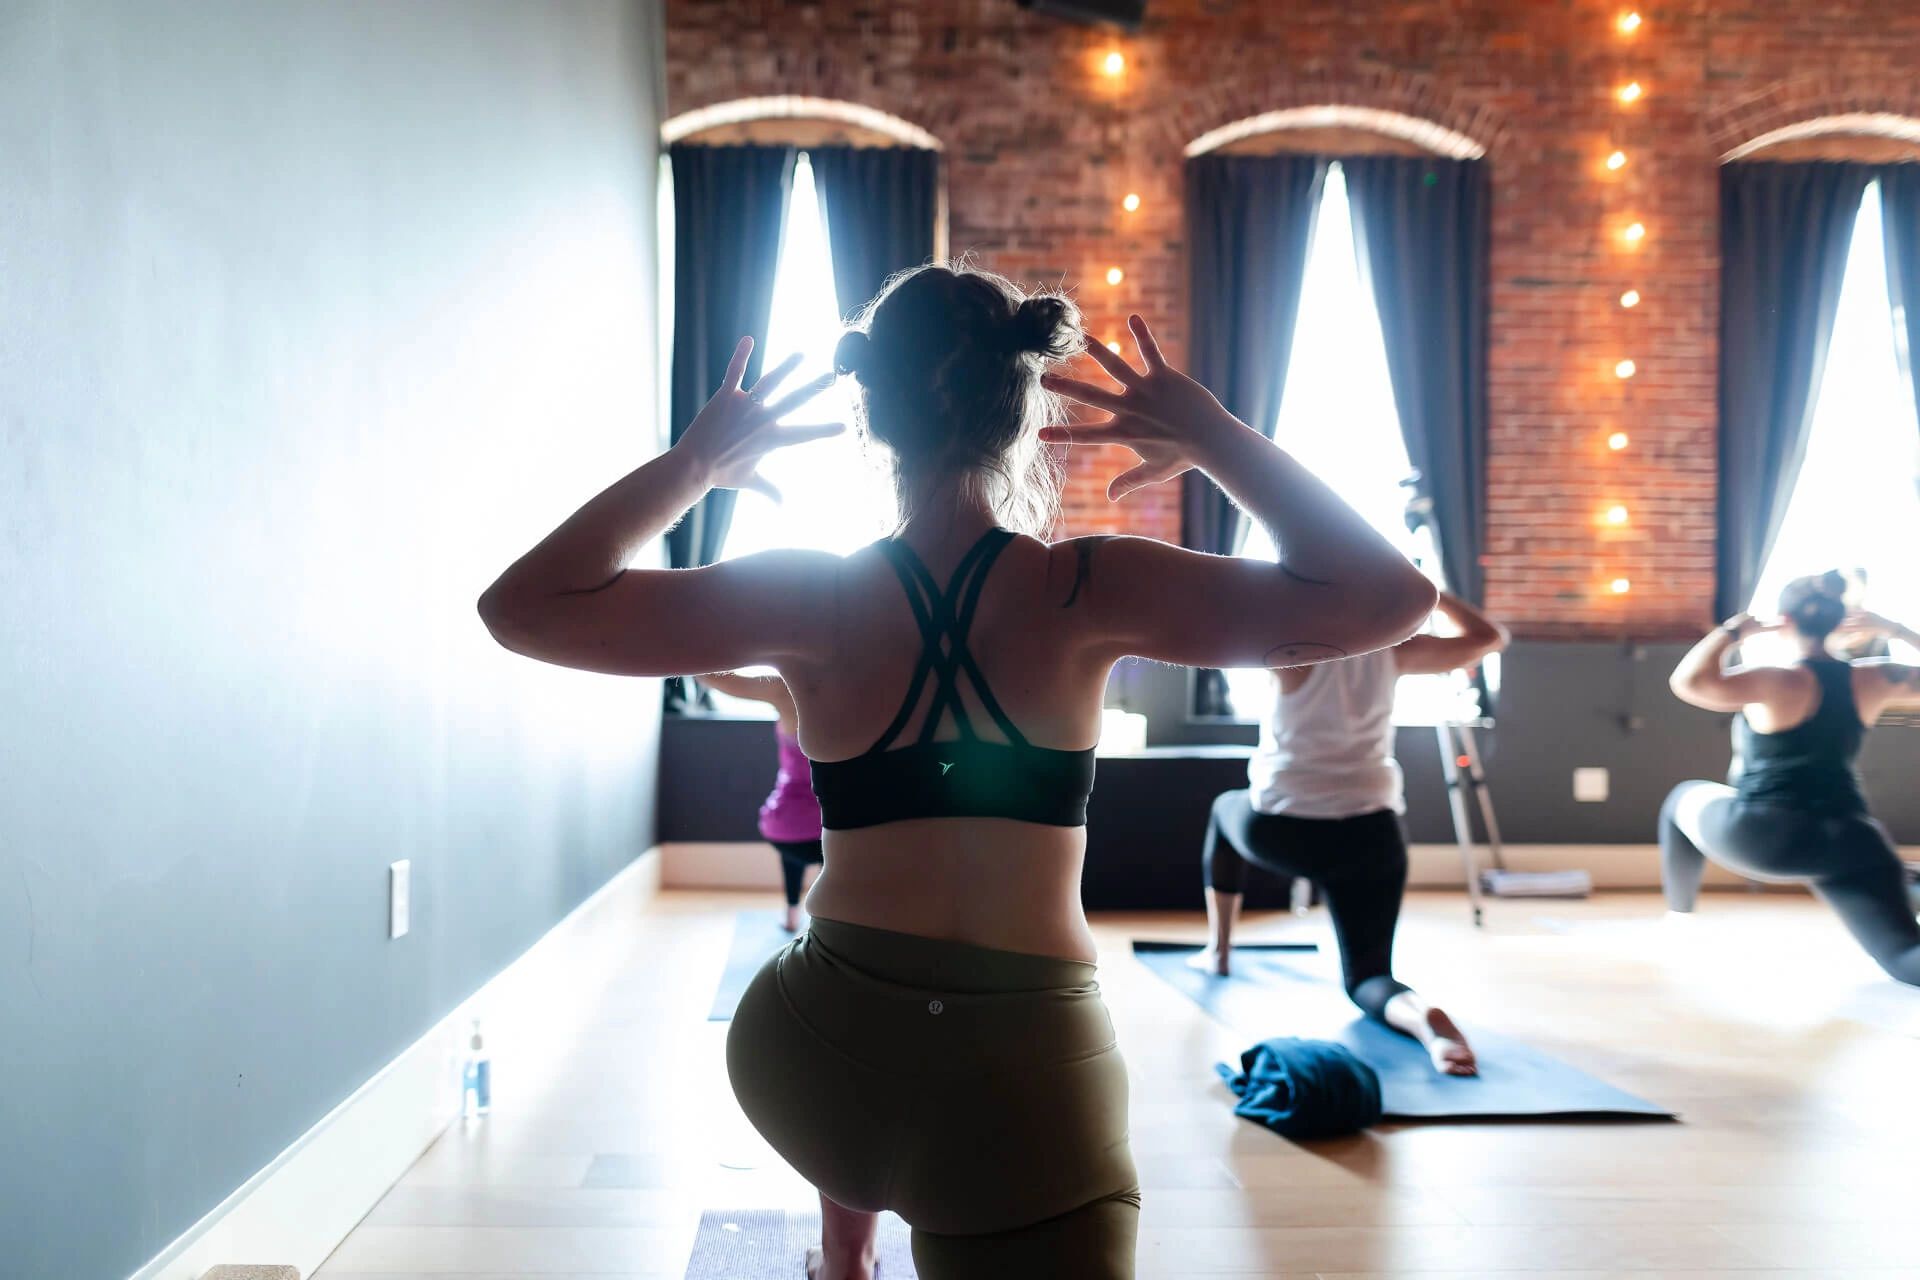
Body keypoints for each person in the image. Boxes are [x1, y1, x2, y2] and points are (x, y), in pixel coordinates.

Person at [477, 264, 1435, 1279]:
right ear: (1023, 412)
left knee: (884, 1105)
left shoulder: (808, 594)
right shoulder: (1088, 586)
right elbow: (1389, 597)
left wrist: (693, 464)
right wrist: (1216, 441)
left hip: (816, 1050)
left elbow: (525, 606)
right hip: (1020, 1071)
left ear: (870, 415)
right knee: (969, 1153)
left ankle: (845, 1258)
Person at [1191, 592, 1509, 1076]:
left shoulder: (1290, 651)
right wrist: (1436, 595)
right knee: (1369, 976)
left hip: (1286, 829)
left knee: (1223, 810)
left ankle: (1219, 951)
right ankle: (1425, 1021)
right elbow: (1491, 638)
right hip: (1374, 835)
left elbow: (1214, 622)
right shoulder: (1396, 650)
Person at [1663, 572, 1920, 986]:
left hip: (1766, 838)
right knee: (1906, 956)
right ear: (1841, 622)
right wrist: (1895, 629)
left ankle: (1679, 918)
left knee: (1681, 798)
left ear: (1785, 619)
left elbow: (1687, 682)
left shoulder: (1776, 679)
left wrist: (1732, 632)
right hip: (1852, 838)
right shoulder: (1874, 677)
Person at [698, 670, 821, 931]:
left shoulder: (785, 689)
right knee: (832, 853)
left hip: (784, 826)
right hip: (833, 827)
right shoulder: (853, 688)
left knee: (794, 833)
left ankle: (791, 915)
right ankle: (825, 918)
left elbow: (713, 678)